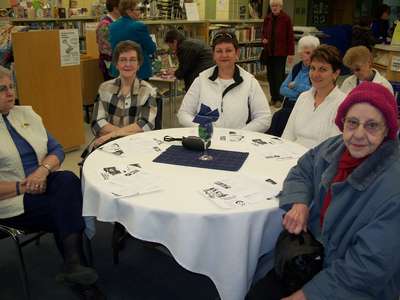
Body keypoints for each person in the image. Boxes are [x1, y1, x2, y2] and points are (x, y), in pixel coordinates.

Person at [248, 82, 400, 300]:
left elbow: (368, 267)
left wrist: (307, 295)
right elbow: (303, 169)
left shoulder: (393, 189)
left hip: (351, 285)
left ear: (387, 130)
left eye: (372, 125)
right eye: (352, 122)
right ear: (342, 123)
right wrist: (300, 201)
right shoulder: (335, 147)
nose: (358, 134)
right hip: (309, 258)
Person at [0, 66, 103, 299]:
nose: (10, 94)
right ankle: (77, 268)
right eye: (2, 89)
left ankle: (73, 265)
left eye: (12, 87)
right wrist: (23, 186)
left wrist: (43, 171)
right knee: (66, 206)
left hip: (42, 182)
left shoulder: (26, 114)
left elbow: (55, 148)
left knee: (67, 179)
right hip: (12, 199)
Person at [177, 30, 272, 133]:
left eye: (228, 50)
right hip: (206, 140)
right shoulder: (201, 80)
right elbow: (183, 113)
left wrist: (240, 134)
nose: (224, 55)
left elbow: (264, 118)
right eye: (219, 51)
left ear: (237, 53)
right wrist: (201, 128)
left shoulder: (250, 82)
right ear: (213, 54)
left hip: (238, 142)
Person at [91, 40, 157, 147]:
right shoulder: (104, 88)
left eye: (132, 60)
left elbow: (145, 125)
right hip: (106, 144)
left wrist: (112, 135)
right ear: (116, 64)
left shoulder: (148, 91)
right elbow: (97, 123)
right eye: (123, 60)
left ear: (138, 64)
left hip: (136, 145)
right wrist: (120, 134)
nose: (127, 64)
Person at [282, 45, 346, 148]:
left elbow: (332, 149)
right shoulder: (303, 97)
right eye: (312, 68)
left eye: (322, 69)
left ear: (335, 73)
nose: (315, 74)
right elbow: (288, 134)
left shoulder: (343, 103)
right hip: (290, 156)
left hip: (318, 161)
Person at [267, 35, 320, 137]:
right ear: (300, 53)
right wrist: (300, 92)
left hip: (306, 106)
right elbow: (282, 89)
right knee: (277, 118)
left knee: (281, 117)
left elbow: (315, 91)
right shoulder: (296, 68)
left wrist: (296, 85)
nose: (310, 56)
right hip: (290, 104)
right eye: (307, 53)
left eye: (313, 53)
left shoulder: (316, 70)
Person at [109, 0, 156, 80]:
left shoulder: (112, 26)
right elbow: (151, 48)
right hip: (137, 72)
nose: (139, 12)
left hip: (118, 70)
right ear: (128, 11)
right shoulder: (138, 26)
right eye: (137, 9)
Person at [262, 0, 295, 107]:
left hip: (280, 53)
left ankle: (280, 99)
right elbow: (263, 33)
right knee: (270, 76)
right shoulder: (267, 18)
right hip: (269, 51)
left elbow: (290, 37)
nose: (274, 8)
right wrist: (263, 39)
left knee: (278, 77)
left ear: (281, 6)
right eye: (272, 6)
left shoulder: (286, 19)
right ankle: (273, 97)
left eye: (276, 5)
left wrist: (291, 54)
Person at [96, 0, 120, 81]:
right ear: (115, 9)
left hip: (117, 62)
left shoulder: (117, 22)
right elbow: (105, 48)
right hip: (109, 64)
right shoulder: (105, 24)